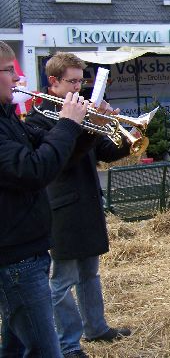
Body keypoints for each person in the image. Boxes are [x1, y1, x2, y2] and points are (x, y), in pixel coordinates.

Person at [25, 52, 132, 358]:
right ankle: (68, 343)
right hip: (62, 206)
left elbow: (103, 152)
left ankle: (96, 328)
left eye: (81, 81)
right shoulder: (38, 118)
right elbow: (62, 159)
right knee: (62, 280)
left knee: (90, 272)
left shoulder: (80, 110)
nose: (78, 88)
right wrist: (86, 126)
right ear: (53, 81)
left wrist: (128, 138)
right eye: (72, 81)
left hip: (87, 201)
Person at [0, 41, 88, 357]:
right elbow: (35, 169)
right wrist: (67, 124)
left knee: (15, 349)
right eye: (8, 71)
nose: (17, 78)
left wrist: (89, 129)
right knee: (45, 350)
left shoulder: (8, 116)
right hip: (16, 258)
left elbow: (58, 156)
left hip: (28, 248)